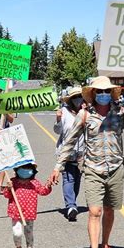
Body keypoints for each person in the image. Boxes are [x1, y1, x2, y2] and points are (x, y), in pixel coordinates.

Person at [49, 76, 124, 248]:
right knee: (95, 211)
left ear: (111, 93)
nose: (103, 95)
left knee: (109, 211)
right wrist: (57, 167)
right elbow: (69, 142)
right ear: (93, 94)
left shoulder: (120, 113)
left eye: (106, 91)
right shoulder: (85, 115)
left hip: (115, 169)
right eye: (99, 91)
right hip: (93, 169)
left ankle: (106, 245)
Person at [3, 163, 52, 248]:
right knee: (17, 233)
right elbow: (7, 195)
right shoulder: (13, 181)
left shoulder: (34, 182)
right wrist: (8, 188)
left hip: (29, 212)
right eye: (22, 168)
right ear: (17, 170)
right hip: (16, 212)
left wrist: (48, 185)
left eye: (28, 168)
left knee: (29, 232)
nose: (25, 170)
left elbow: (43, 191)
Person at [53, 87, 85, 221]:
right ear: (71, 100)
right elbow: (57, 130)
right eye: (75, 97)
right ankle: (71, 206)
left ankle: (72, 202)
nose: (78, 99)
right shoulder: (64, 112)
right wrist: (58, 119)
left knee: (77, 180)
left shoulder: (87, 112)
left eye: (80, 96)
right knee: (68, 179)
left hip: (82, 154)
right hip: (66, 152)